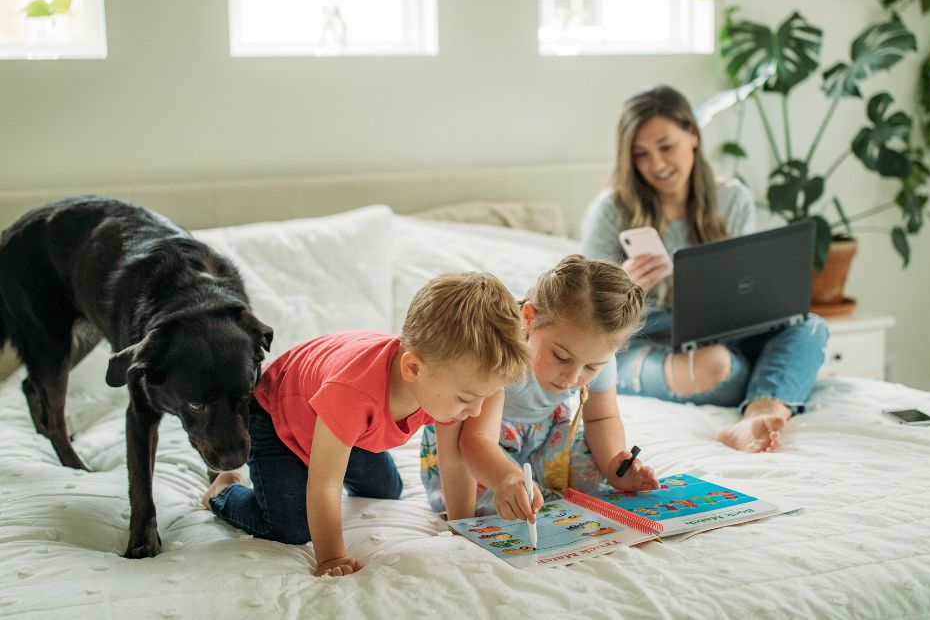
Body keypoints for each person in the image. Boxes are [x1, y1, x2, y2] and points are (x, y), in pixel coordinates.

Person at [201, 272, 531, 577]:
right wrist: (331, 557)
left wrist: (463, 526)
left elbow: (453, 459)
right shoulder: (353, 393)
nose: (474, 412)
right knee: (292, 529)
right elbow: (325, 484)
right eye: (466, 399)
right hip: (275, 415)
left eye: (482, 399)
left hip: (343, 425)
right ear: (412, 368)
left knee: (387, 490)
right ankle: (223, 491)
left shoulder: (443, 385)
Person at [580, 84, 829, 454]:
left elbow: (746, 290)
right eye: (641, 155)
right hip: (642, 338)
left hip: (721, 330)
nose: (658, 165)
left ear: (693, 135)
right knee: (719, 367)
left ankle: (759, 413)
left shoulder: (732, 199)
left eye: (666, 147)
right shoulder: (611, 210)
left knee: (810, 327)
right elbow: (583, 314)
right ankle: (775, 381)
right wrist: (623, 286)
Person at [420, 255, 658, 522]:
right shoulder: (502, 354)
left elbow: (602, 417)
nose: (573, 377)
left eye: (591, 367)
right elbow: (475, 441)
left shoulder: (599, 356)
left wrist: (615, 466)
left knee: (593, 476)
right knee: (507, 505)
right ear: (529, 319)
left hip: (545, 437)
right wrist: (507, 478)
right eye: (562, 357)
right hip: (482, 449)